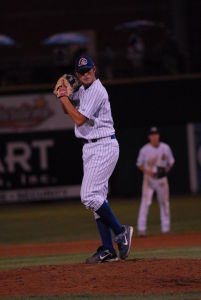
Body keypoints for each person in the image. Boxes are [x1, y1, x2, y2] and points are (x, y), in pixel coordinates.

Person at [55, 54, 133, 263]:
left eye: (88, 70)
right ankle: (108, 250)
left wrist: (64, 98)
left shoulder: (97, 90)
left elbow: (79, 119)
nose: (85, 74)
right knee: (98, 199)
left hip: (103, 145)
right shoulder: (82, 90)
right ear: (78, 74)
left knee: (88, 196)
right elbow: (67, 111)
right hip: (90, 148)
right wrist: (64, 97)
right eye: (81, 72)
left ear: (94, 69)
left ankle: (120, 232)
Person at [136, 127, 175, 236]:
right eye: (152, 134)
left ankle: (166, 228)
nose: (154, 136)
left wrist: (166, 170)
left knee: (164, 203)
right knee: (145, 203)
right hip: (149, 179)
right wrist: (148, 172)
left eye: (156, 134)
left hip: (161, 179)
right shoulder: (144, 149)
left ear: (158, 135)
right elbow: (139, 164)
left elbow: (171, 161)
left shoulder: (165, 148)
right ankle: (141, 229)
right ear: (149, 137)